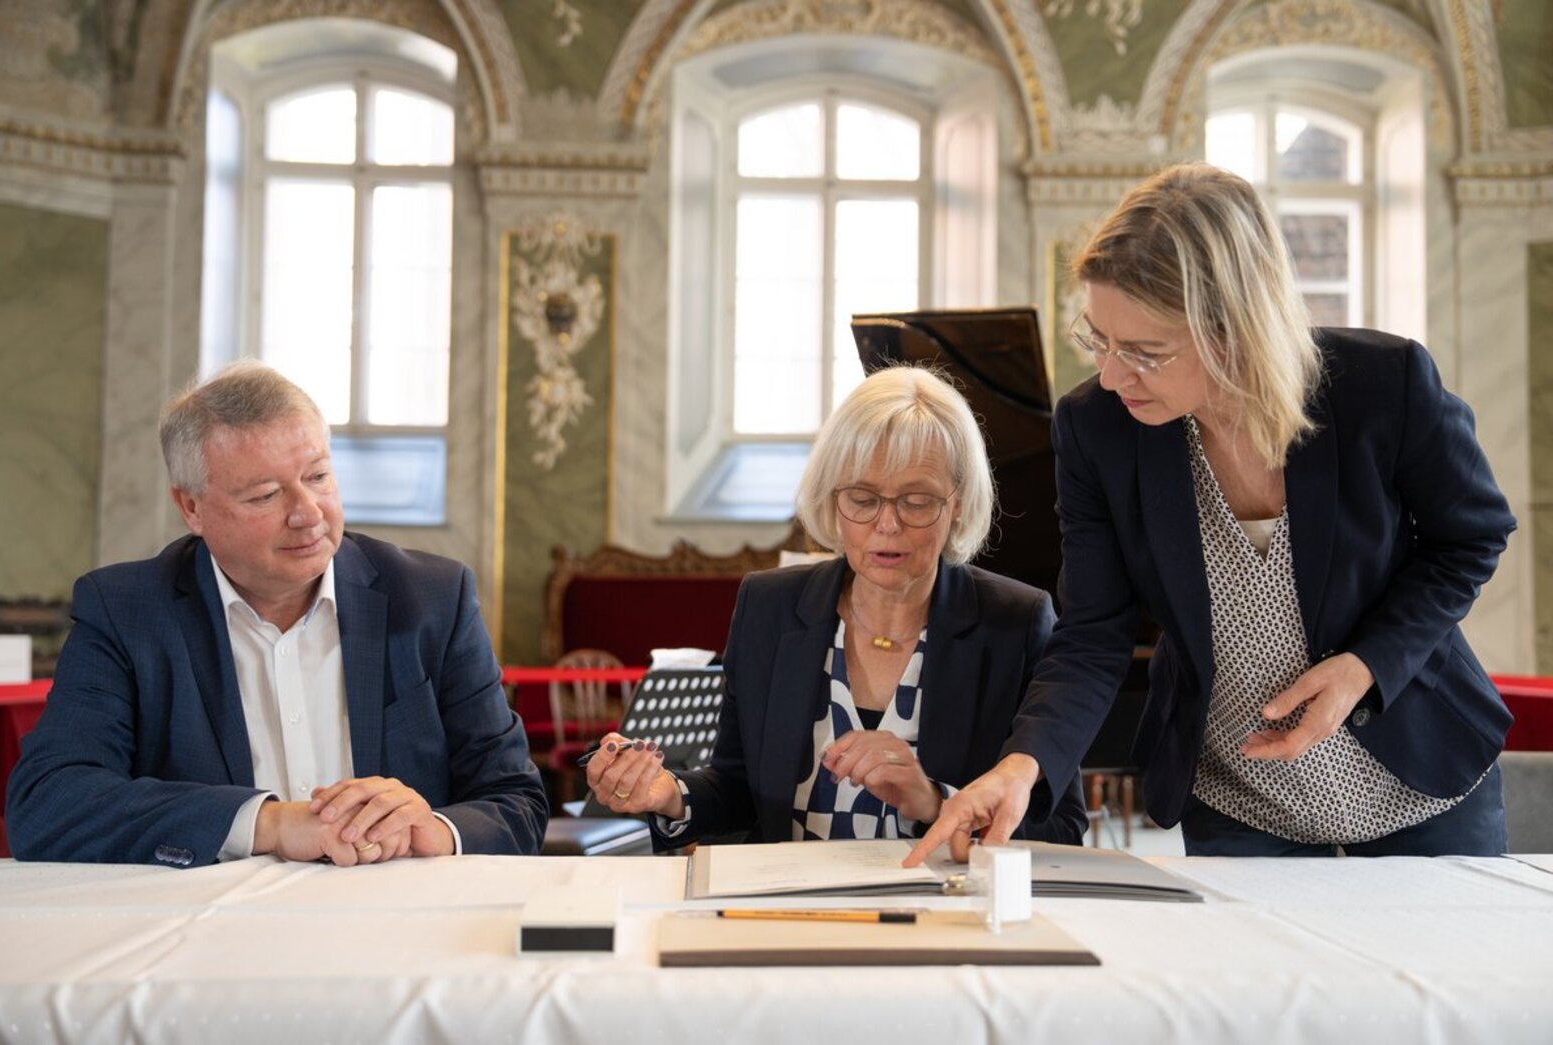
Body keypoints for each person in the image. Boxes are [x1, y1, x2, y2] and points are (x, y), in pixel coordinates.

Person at [907, 162, 1515, 864]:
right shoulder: (1097, 429)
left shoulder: (1384, 387)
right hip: (1241, 801)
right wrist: (1024, 764)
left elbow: (1470, 538)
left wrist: (1364, 667)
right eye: (1098, 340)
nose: (1109, 375)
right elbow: (1093, 634)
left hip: (1422, 777)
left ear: (1234, 328)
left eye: (1144, 352)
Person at [7, 362, 548, 866]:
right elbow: (48, 806)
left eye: (317, 477)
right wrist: (268, 824)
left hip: (397, 923)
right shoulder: (127, 610)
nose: (308, 514)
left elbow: (515, 800)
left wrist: (435, 830)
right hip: (204, 938)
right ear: (191, 507)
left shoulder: (433, 597)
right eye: (266, 495)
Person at [585, 366, 1087, 847]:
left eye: (916, 501)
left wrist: (936, 802)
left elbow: (1062, 826)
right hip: (792, 909)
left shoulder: (1014, 622)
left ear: (957, 504)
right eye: (863, 499)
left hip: (941, 909)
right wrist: (672, 796)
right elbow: (739, 790)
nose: (887, 525)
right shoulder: (769, 606)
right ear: (832, 498)